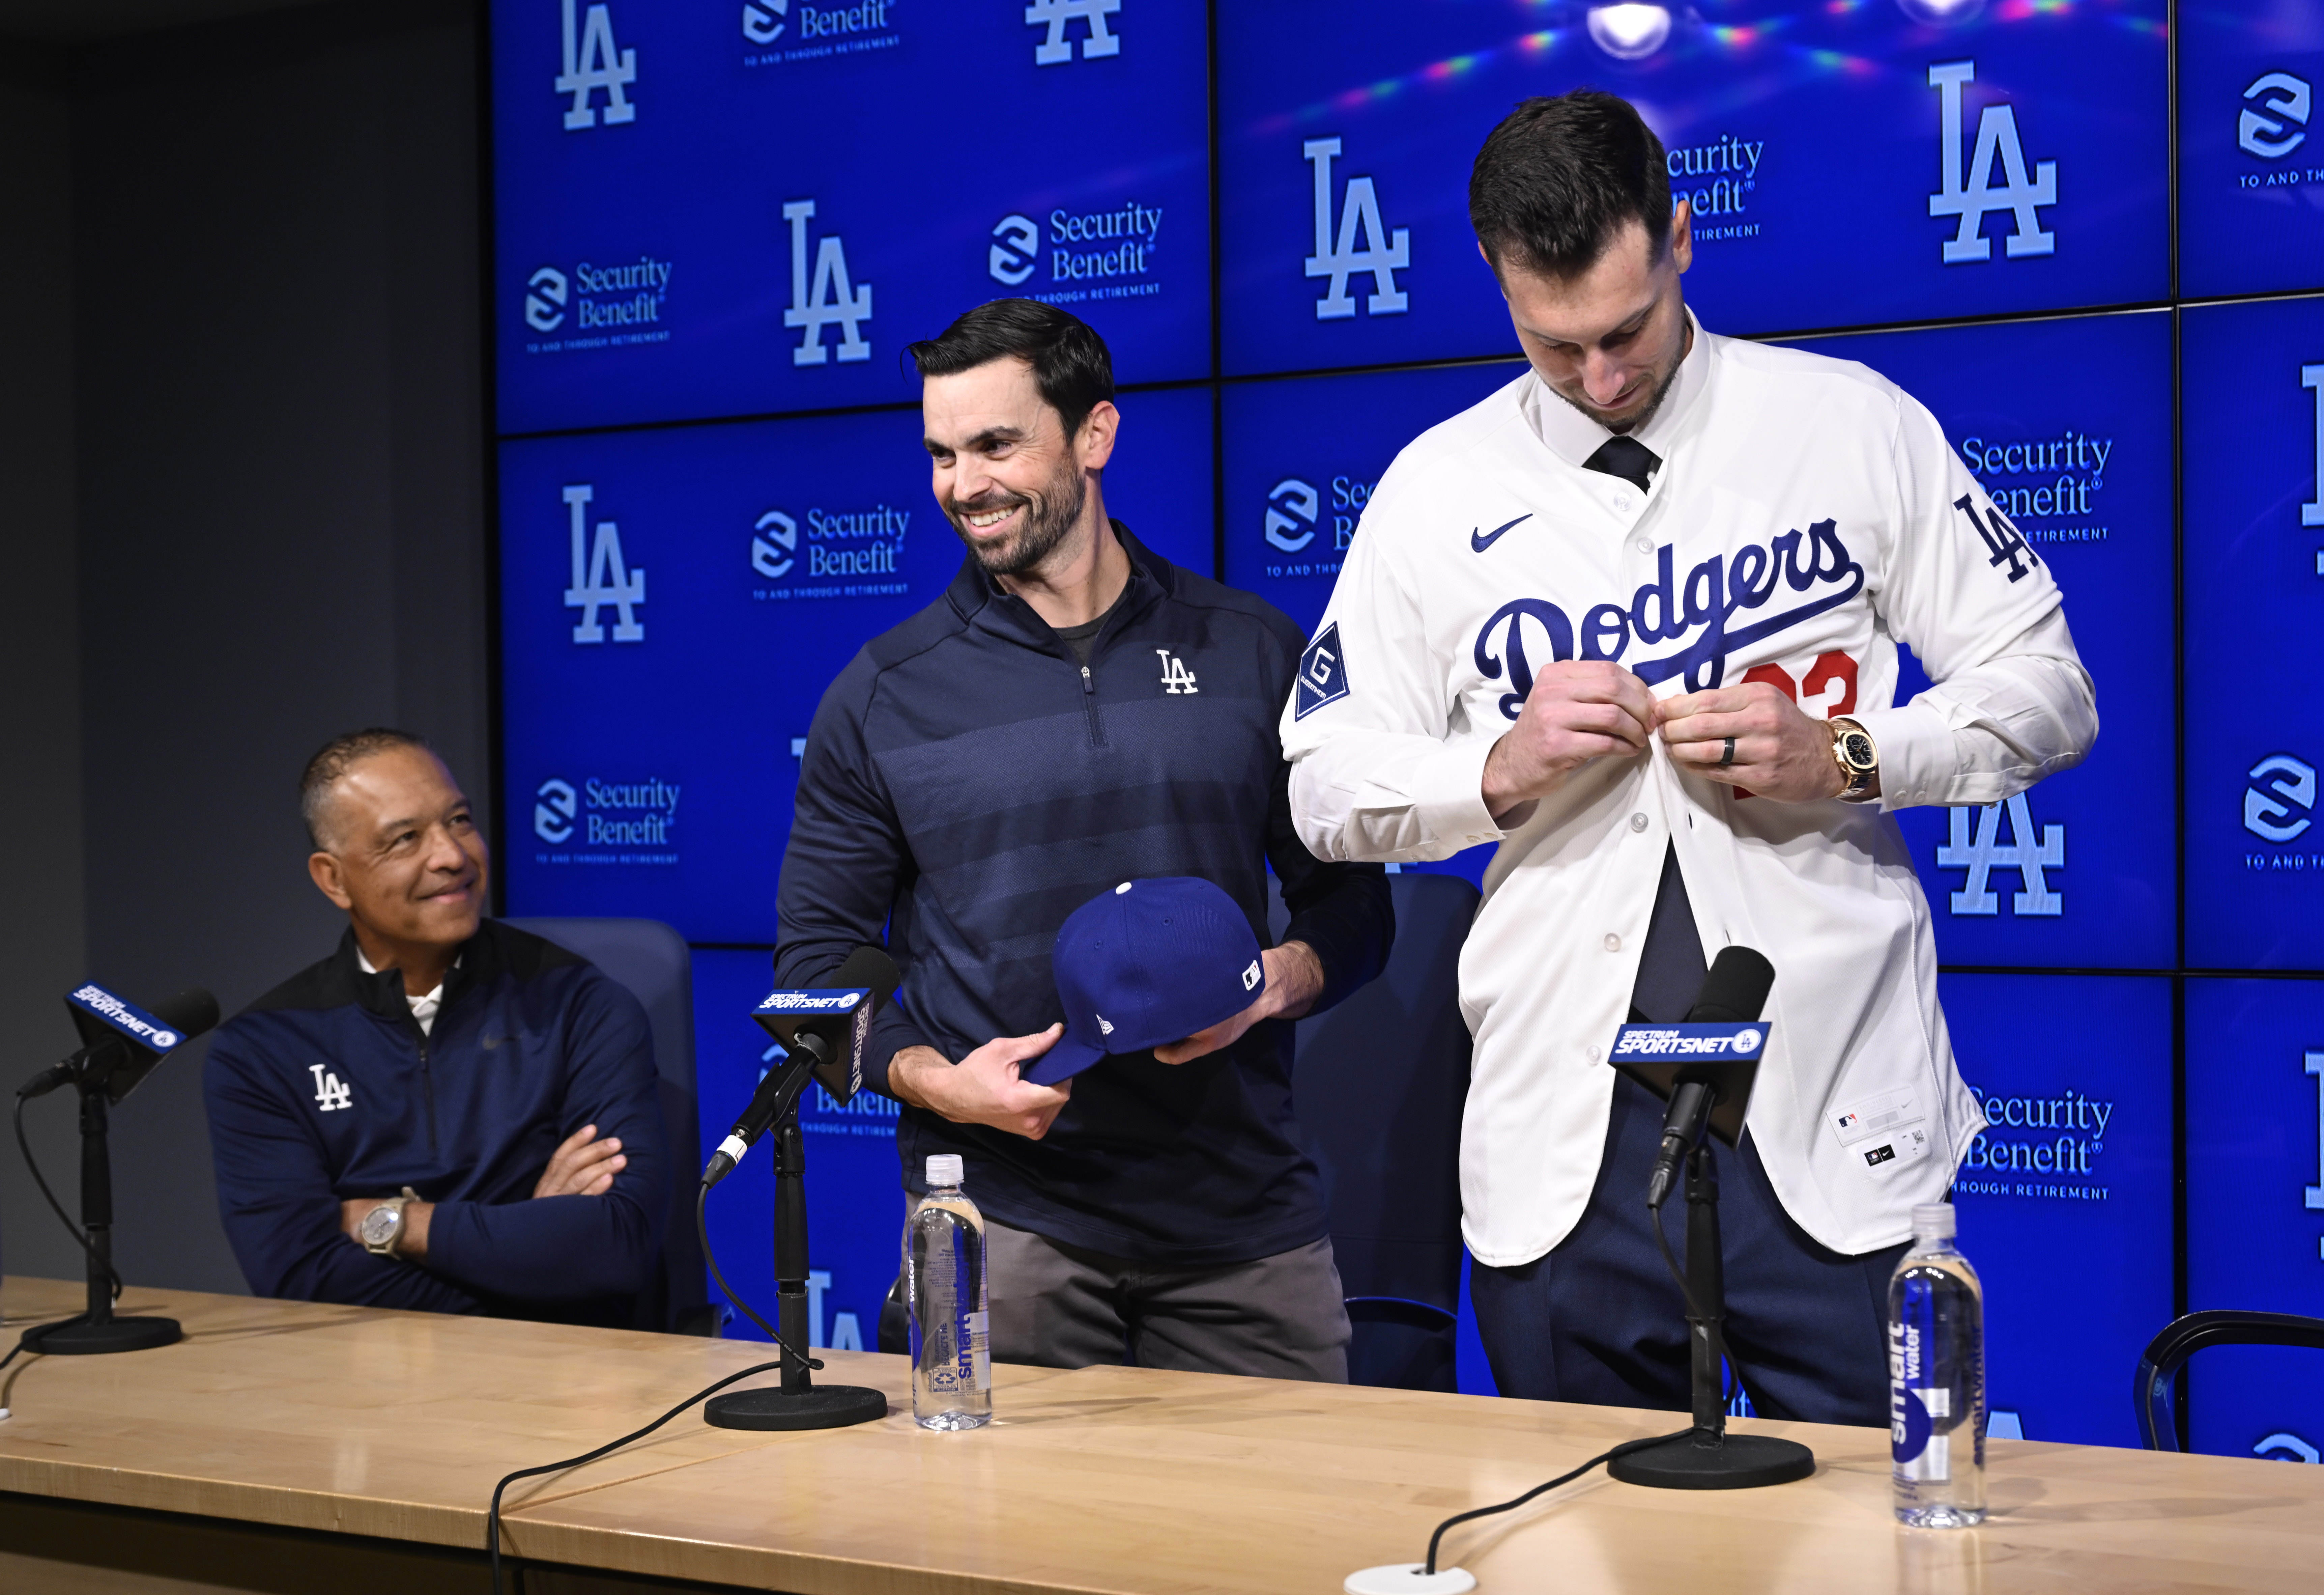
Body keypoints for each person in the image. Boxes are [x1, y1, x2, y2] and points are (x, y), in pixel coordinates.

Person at [1280, 92, 2097, 1422]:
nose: (1602, 378)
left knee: (1878, 1544)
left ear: (1682, 239)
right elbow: (1320, 785)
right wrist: (1492, 771)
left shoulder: (1849, 423)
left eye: (1625, 332)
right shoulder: (1433, 489)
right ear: (1492, 277)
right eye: (1555, 348)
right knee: (1589, 1552)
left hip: (1826, 1129)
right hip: (1563, 1165)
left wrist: (1842, 752)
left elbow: (2050, 694)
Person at [777, 299, 1394, 1381]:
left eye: (996, 444)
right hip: (999, 1225)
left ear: (1094, 436)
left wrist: (1270, 985)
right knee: (991, 1550)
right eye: (942, 453)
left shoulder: (1249, 648)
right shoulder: (880, 696)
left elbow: (1354, 910)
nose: (962, 484)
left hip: (1242, 1223)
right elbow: (814, 981)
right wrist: (935, 1081)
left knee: (1276, 1548)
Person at [204, 729, 670, 1326]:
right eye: (405, 839)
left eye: (459, 821)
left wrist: (389, 1222)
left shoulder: (582, 1005)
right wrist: (525, 1242)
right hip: (357, 1392)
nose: (452, 855)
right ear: (334, 879)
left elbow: (614, 1246)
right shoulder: (264, 1049)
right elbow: (300, 1276)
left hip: (566, 1383)